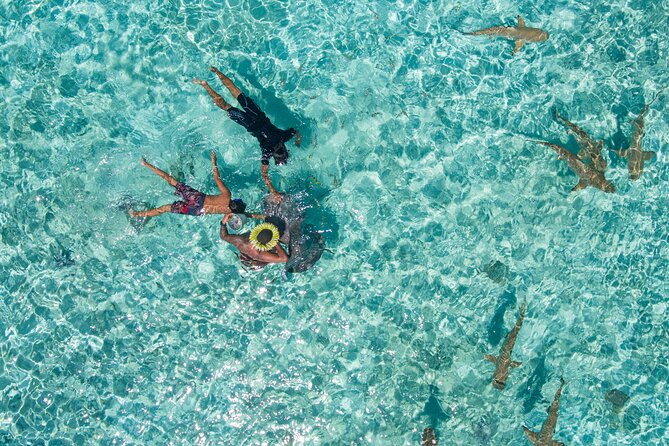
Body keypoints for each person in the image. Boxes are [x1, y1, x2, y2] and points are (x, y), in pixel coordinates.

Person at [192, 66, 301, 195]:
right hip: (248, 123)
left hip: (257, 114)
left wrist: (298, 140)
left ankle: (216, 72)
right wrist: (274, 191)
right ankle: (205, 85)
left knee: (236, 92)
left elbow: (295, 131)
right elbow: (264, 175)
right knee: (225, 106)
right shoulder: (267, 151)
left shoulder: (283, 136)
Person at [129, 150, 264, 221]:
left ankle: (145, 164)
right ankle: (136, 214)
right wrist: (263, 216)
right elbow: (249, 215)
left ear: (235, 201)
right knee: (163, 209)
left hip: (197, 198)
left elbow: (216, 177)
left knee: (170, 180)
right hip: (196, 211)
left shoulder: (227, 196)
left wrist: (214, 161)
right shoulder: (229, 214)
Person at [219, 220, 289, 269]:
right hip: (256, 261)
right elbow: (284, 258)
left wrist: (223, 222)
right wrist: (275, 242)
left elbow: (223, 236)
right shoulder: (260, 254)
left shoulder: (241, 240)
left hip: (245, 251)